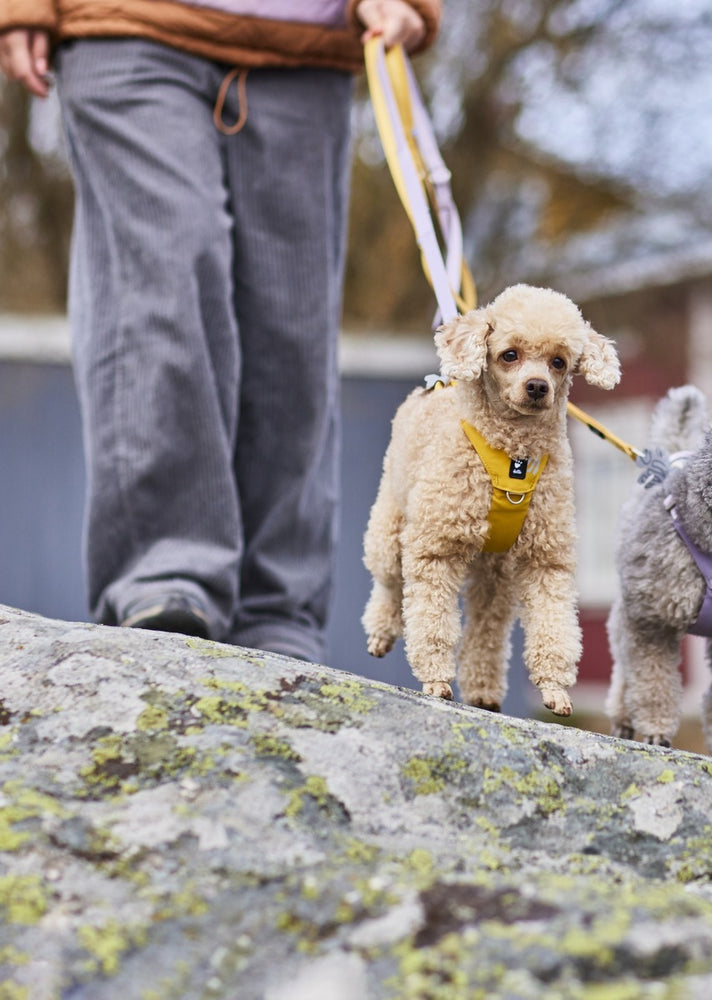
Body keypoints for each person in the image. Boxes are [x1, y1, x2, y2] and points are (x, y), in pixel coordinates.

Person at [0, 0, 442, 663]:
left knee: (291, 330)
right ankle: (166, 570)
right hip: (127, 26)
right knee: (165, 281)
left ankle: (276, 604)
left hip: (305, 43)